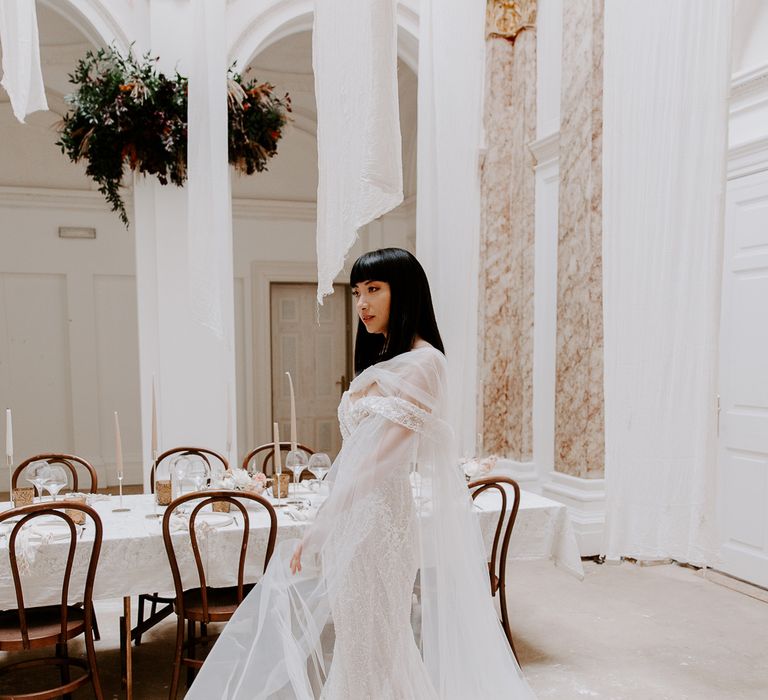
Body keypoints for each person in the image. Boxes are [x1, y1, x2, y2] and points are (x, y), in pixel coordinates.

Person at [186, 248, 535, 699]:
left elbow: (378, 461)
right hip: (357, 517)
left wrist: (323, 523)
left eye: (374, 289)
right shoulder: (387, 359)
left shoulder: (426, 364)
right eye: (357, 293)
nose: (362, 303)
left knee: (376, 646)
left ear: (403, 292)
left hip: (379, 525)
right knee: (361, 647)